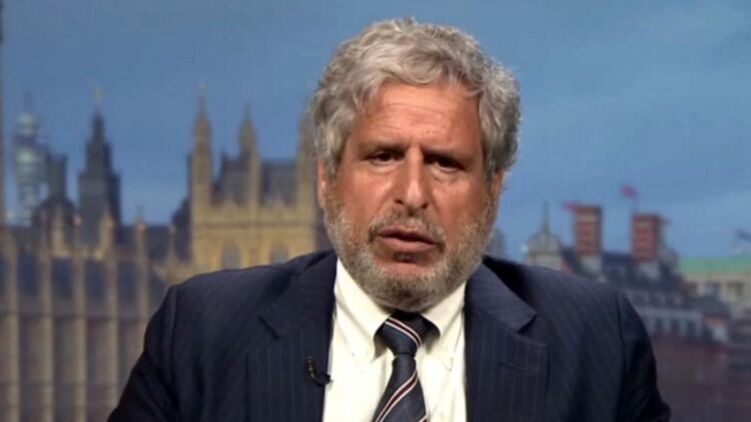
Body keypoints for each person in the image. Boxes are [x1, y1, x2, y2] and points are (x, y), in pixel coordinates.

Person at [110, 18, 670, 422]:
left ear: (494, 188)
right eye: (382, 157)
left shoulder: (596, 341)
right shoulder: (203, 331)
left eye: (445, 163)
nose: (412, 194)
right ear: (326, 176)